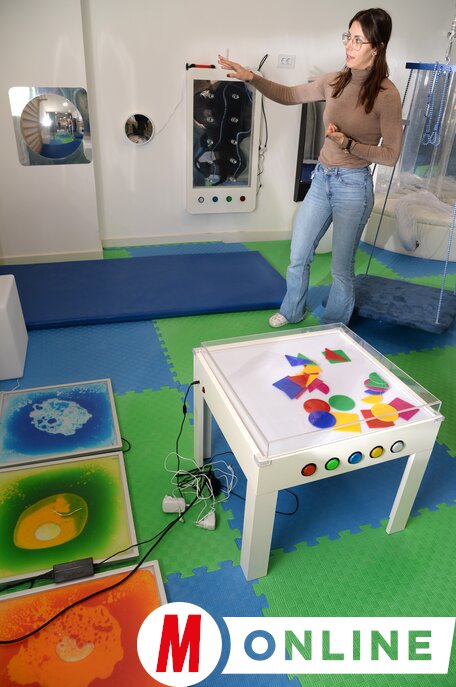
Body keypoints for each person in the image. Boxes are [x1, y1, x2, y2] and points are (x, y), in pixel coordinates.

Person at [218, 7, 403, 327]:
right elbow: (289, 94)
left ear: (377, 47)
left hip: (353, 188)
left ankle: (333, 327)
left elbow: (390, 155)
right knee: (299, 254)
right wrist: (252, 78)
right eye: (348, 37)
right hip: (321, 180)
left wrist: (348, 144)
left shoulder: (387, 95)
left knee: (341, 269)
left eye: (358, 41)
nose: (349, 46)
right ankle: (292, 311)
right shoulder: (334, 81)